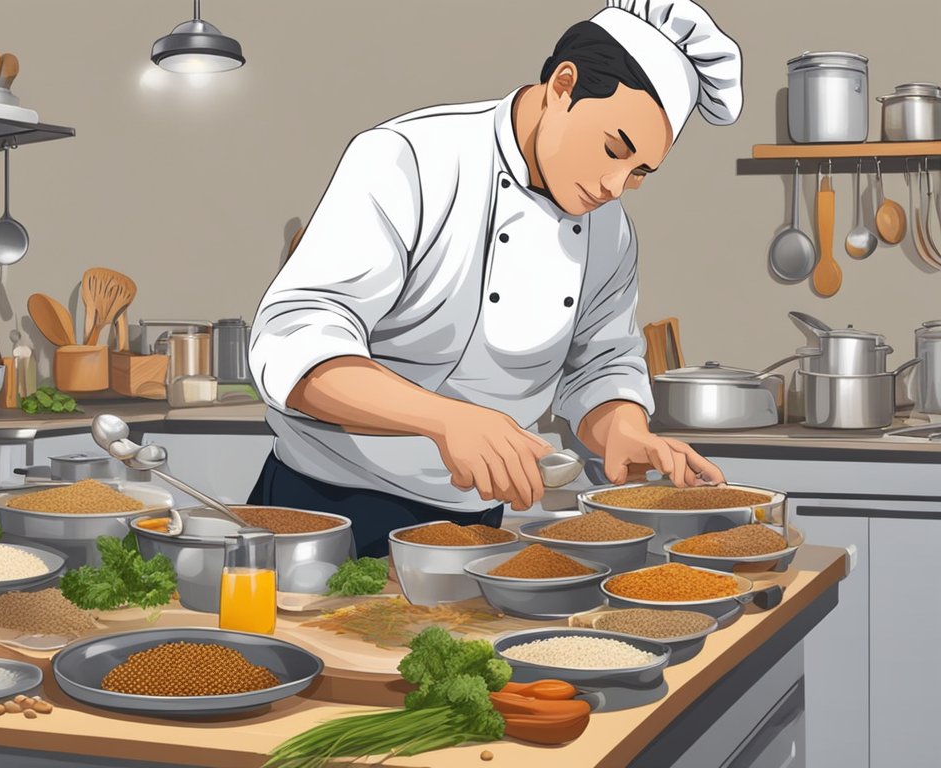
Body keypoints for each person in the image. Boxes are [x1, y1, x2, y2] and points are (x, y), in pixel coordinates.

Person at [247, 0, 743, 557]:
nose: (613, 184)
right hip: (324, 509)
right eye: (613, 150)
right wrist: (444, 421)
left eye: (639, 173)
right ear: (563, 84)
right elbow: (295, 342)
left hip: (474, 524)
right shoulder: (410, 159)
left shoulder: (610, 231)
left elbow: (601, 367)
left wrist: (624, 431)